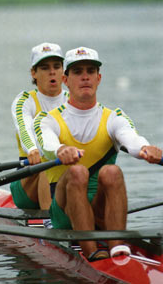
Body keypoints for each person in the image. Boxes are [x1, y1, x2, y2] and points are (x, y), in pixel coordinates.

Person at [33, 46, 162, 261]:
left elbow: (132, 140)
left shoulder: (114, 117)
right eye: (77, 72)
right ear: (66, 80)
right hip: (65, 213)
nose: (85, 77)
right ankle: (92, 250)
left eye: (90, 71)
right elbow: (46, 143)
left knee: (112, 171)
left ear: (98, 78)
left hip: (102, 209)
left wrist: (145, 149)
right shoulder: (48, 120)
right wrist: (61, 150)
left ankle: (117, 247)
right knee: (77, 172)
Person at [10, 42, 68, 211]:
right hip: (28, 182)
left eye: (57, 66)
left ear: (63, 71)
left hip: (65, 175)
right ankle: (48, 220)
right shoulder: (25, 101)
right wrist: (32, 150)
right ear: (33, 73)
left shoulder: (73, 100)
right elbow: (24, 128)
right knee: (47, 161)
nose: (52, 72)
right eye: (44, 68)